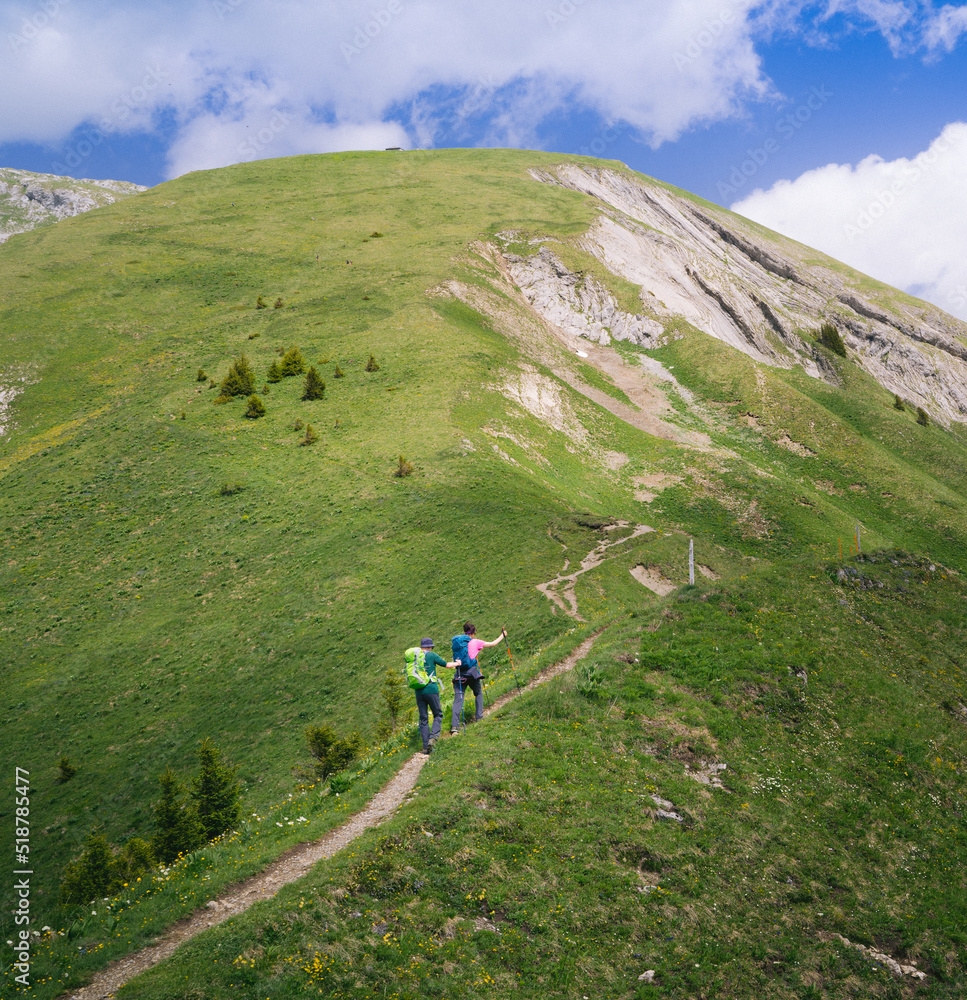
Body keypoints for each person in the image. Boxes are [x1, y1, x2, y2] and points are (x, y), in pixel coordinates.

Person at [450, 622, 505, 734]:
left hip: (459, 674)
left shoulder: (458, 643)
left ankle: (454, 727)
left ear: (465, 632)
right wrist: (503, 635)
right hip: (472, 673)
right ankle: (479, 717)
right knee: (478, 693)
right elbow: (493, 644)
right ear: (474, 632)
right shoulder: (474, 642)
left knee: (458, 699)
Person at [410, 638, 457, 755]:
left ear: (421, 647)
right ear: (430, 647)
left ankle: (425, 747)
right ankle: (433, 738)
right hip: (431, 689)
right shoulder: (431, 655)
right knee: (438, 714)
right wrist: (457, 663)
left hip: (418, 691)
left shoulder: (414, 657)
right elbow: (446, 665)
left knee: (423, 718)